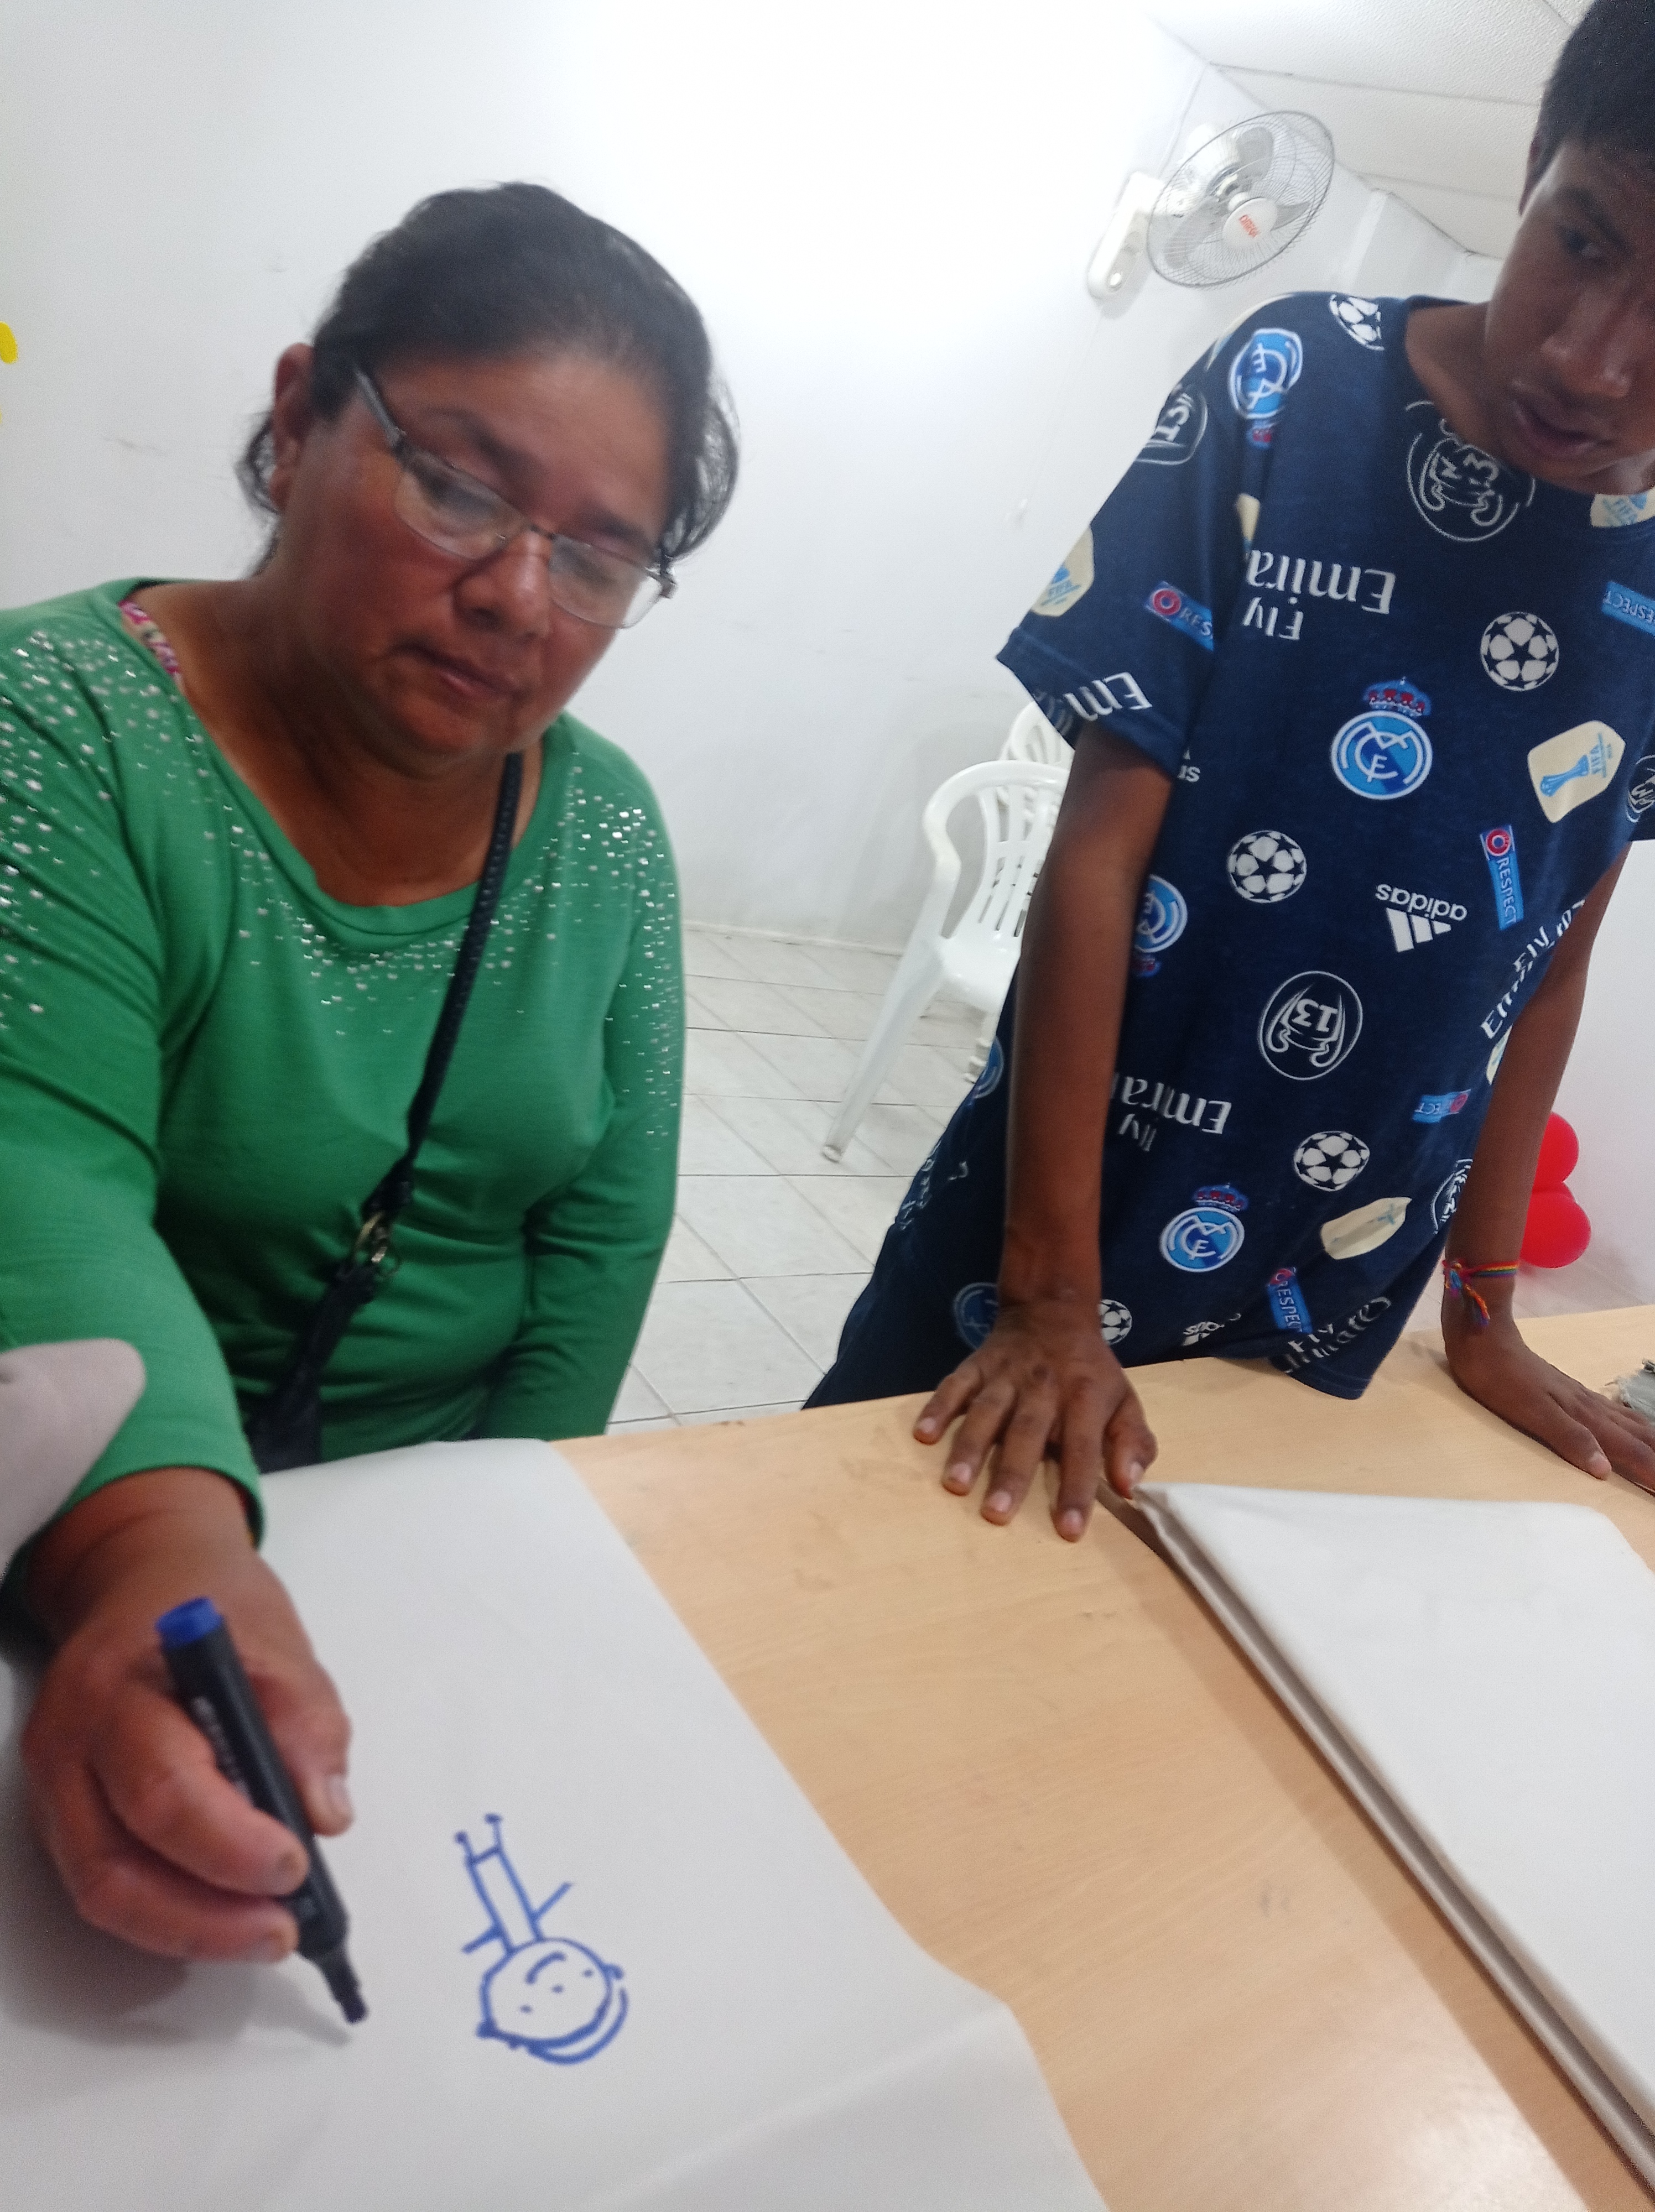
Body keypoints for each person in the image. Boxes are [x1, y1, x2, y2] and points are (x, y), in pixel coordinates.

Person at [2, 184, 735, 1964]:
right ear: (299, 417)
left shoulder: (607, 833)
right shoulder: (61, 734)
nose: (516, 595)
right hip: (114, 1522)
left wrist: (500, 1557)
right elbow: (44, 1184)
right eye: (460, 487)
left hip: (425, 1543)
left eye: (598, 557)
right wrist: (157, 1562)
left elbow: (601, 1239)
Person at [810, 0, 1655, 1535]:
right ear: (1536, 159)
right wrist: (1050, 1299)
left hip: (1326, 1296)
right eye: (1583, 240)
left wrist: (1482, 1316)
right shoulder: (1292, 390)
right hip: (1050, 1236)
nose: (1593, 363)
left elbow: (1553, 958)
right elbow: (1097, 850)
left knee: (1167, 1643)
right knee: (847, 1558)